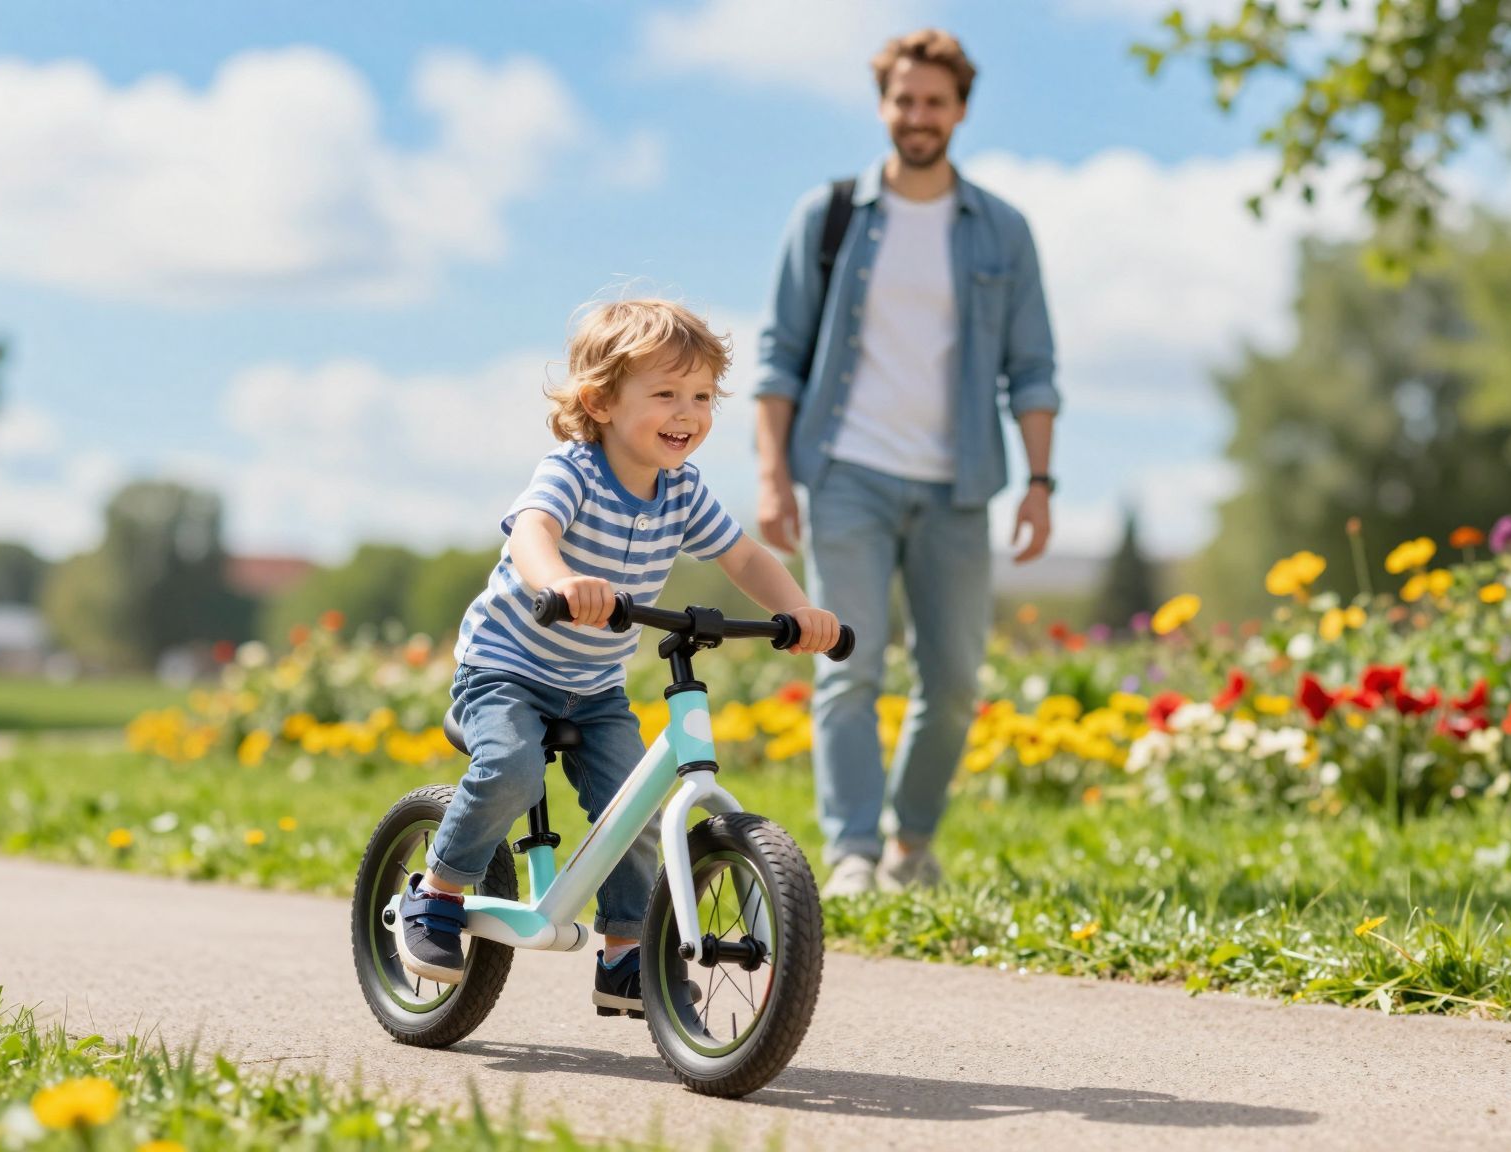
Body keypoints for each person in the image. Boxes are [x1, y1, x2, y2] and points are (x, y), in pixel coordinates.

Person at [397, 299, 841, 1018]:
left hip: (591, 685)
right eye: (665, 393)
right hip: (505, 668)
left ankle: (624, 954)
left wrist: (799, 609)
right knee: (509, 768)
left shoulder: (683, 491)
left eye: (701, 397)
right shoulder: (572, 471)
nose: (687, 412)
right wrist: (560, 583)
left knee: (631, 809)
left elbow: (743, 555)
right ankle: (438, 893)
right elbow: (531, 533)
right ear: (601, 401)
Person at [755, 29, 1059, 898]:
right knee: (848, 663)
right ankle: (851, 852)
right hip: (847, 471)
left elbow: (1032, 369)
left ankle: (909, 844)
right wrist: (775, 477)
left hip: (959, 483)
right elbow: (781, 358)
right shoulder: (831, 216)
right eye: (903, 100)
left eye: (934, 102)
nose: (917, 116)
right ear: (883, 106)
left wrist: (1039, 483)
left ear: (959, 109)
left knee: (956, 680)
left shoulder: (1002, 230)